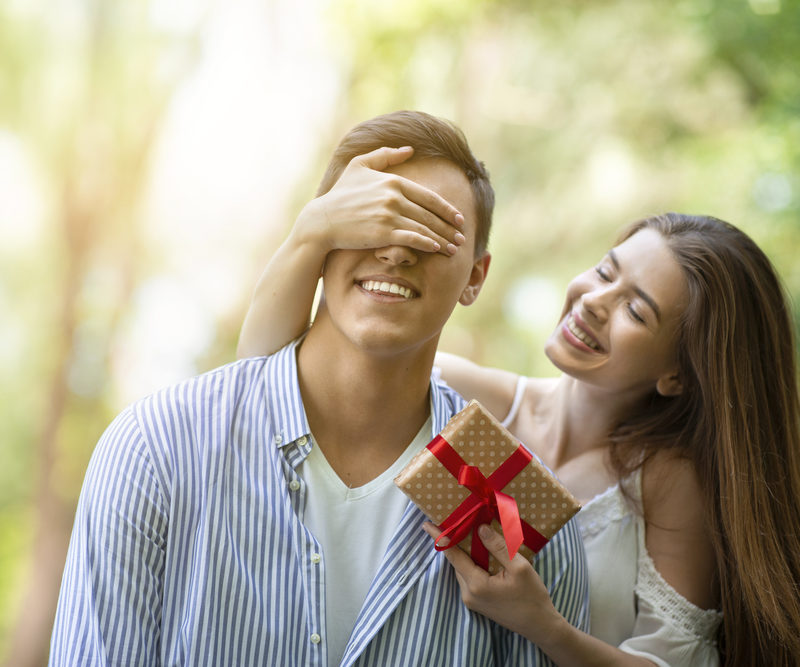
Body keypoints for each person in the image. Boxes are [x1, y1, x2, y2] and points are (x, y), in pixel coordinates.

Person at [49, 110, 590, 666]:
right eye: (373, 219)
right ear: (323, 236)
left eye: (433, 229)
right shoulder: (158, 447)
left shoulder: (520, 510)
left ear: (476, 276)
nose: (399, 250)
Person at [237, 194, 800, 664]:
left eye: (637, 310)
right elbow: (268, 377)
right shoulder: (465, 395)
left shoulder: (667, 482)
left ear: (677, 375)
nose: (595, 302)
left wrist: (544, 626)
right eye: (606, 271)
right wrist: (311, 233)